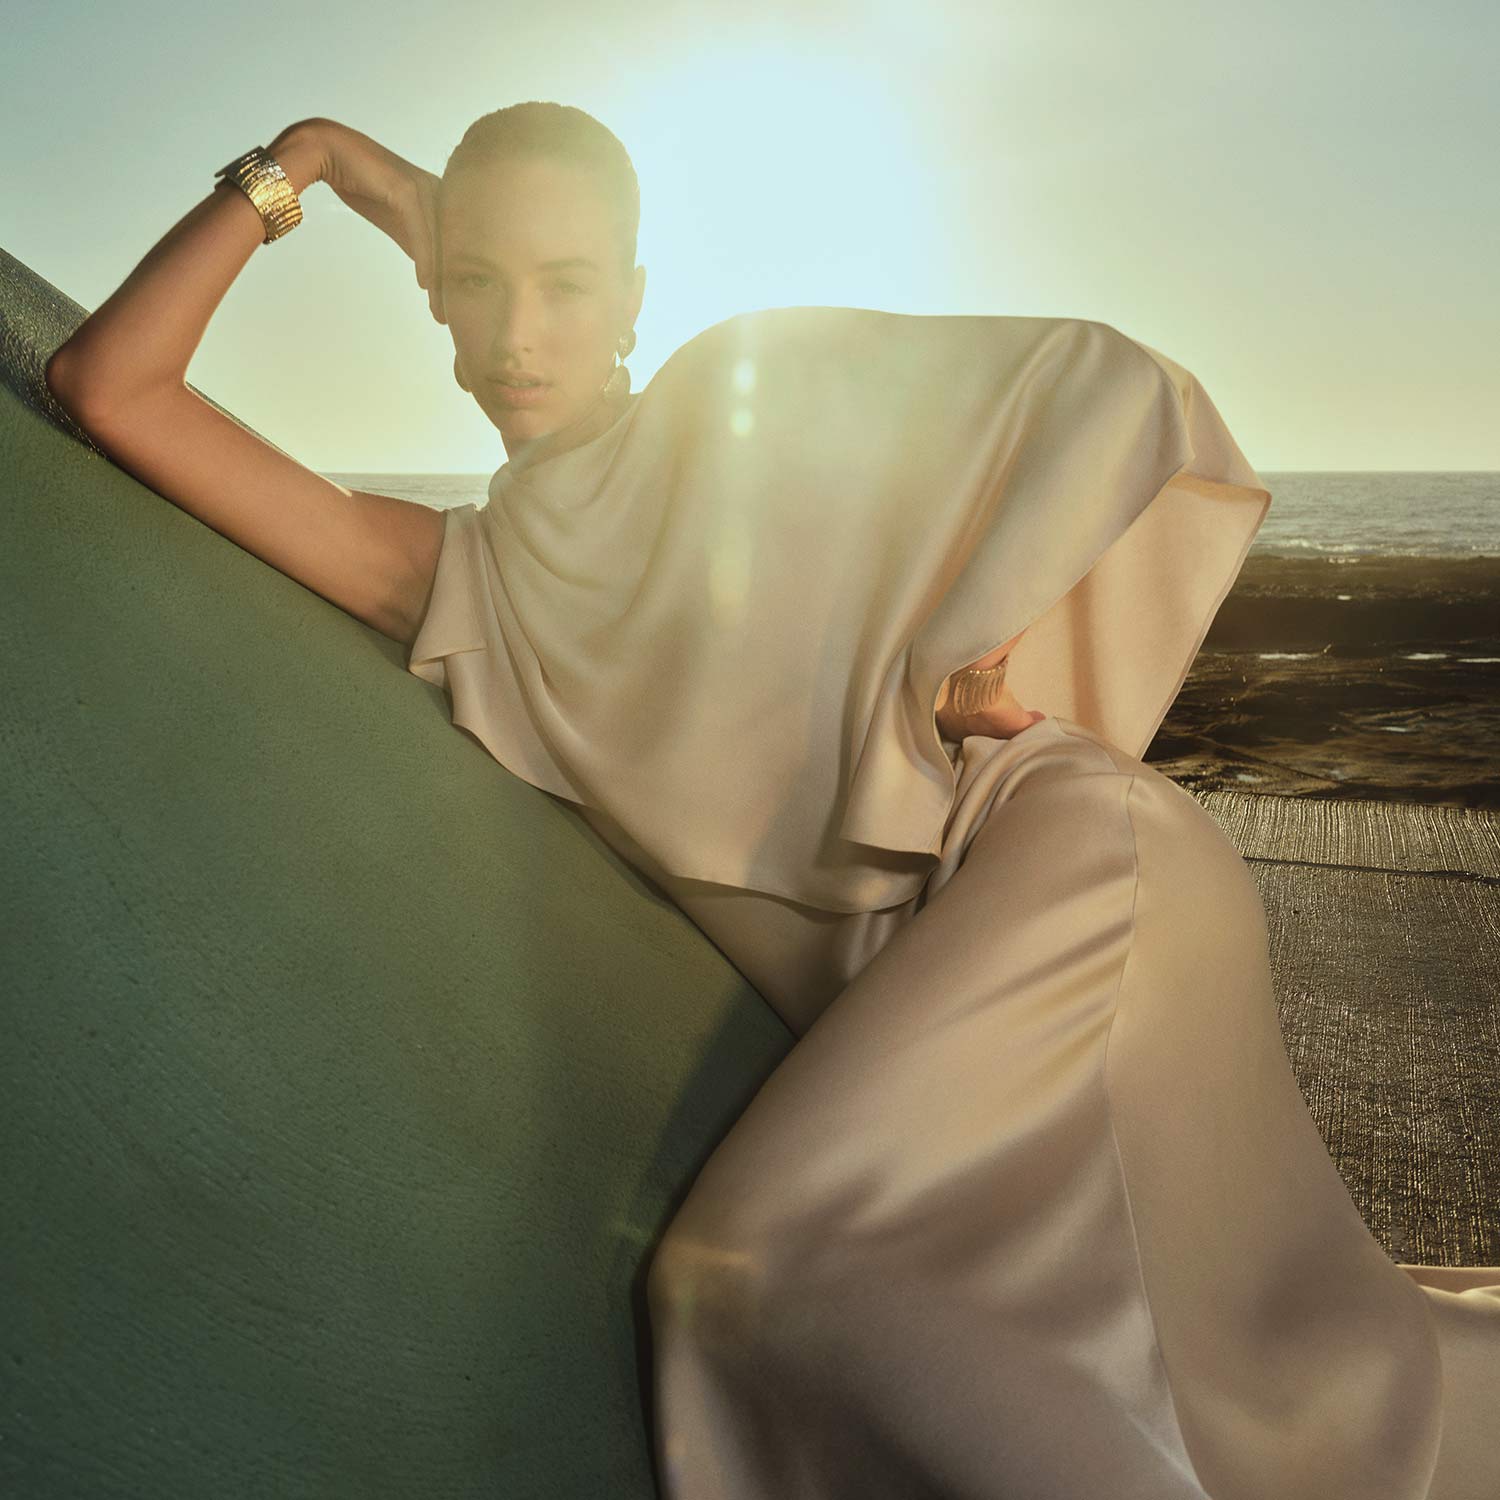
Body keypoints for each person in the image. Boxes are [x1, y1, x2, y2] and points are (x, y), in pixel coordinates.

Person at [47, 103, 1499, 1499]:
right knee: (1229, 1391)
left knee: (756, 1273)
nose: (516, 333)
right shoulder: (449, 582)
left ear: (635, 296)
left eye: (566, 283)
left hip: (1061, 865)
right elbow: (110, 385)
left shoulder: (733, 404)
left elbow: (1108, 384)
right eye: (477, 286)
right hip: (937, 984)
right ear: (433, 297)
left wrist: (981, 632)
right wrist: (301, 163)